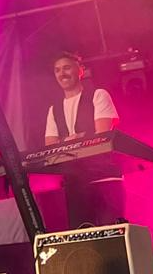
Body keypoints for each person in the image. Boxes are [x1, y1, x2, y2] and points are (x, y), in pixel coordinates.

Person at [42, 51, 124, 228]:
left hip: (104, 179)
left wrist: (65, 142)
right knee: (82, 241)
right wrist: (77, 138)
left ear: (81, 70)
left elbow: (101, 137)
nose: (62, 73)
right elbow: (50, 149)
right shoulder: (54, 109)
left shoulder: (98, 95)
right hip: (75, 184)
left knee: (111, 234)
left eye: (66, 68)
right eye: (57, 70)